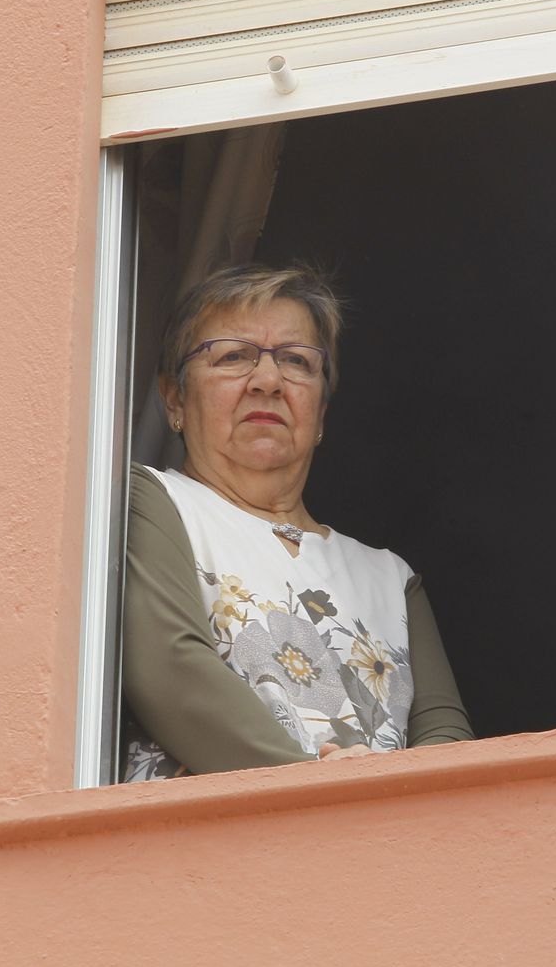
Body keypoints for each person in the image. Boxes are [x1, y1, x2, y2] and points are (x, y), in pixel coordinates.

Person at [122, 263, 473, 781]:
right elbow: (172, 673)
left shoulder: (391, 578)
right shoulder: (151, 500)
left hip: (379, 848)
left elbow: (446, 740)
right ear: (175, 397)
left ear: (321, 413)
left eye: (296, 361)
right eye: (233, 356)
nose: (267, 381)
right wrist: (316, 786)